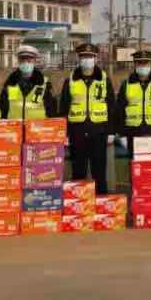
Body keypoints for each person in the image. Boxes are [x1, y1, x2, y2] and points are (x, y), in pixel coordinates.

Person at [59, 43, 115, 193]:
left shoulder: (104, 79)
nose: (87, 59)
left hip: (99, 132)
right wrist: (65, 133)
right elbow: (64, 107)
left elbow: (111, 106)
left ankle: (101, 202)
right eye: (84, 56)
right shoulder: (70, 80)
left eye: (90, 56)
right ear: (79, 58)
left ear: (95, 58)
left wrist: (111, 131)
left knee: (99, 173)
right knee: (78, 172)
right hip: (77, 132)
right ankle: (78, 204)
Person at [114, 50, 151, 154]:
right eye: (139, 63)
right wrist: (122, 134)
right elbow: (119, 111)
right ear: (135, 65)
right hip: (133, 133)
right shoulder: (126, 84)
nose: (142, 66)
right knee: (134, 163)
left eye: (145, 63)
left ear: (150, 64)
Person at [0, 44, 56, 121]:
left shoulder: (44, 84)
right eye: (22, 59)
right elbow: (3, 110)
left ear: (34, 61)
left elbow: (51, 111)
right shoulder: (10, 84)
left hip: (37, 127)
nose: (25, 63)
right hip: (14, 127)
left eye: (29, 60)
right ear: (18, 61)